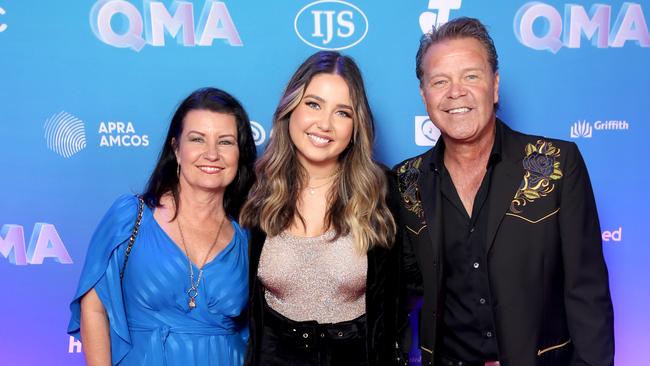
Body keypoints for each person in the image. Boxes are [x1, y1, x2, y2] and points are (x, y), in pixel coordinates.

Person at [394, 17, 614, 366]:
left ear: (494, 86)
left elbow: (587, 293)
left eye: (471, 76)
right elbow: (399, 291)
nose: (456, 92)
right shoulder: (406, 181)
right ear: (424, 95)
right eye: (440, 81)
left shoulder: (555, 164)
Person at [68, 87, 257, 365]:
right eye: (197, 139)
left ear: (239, 153)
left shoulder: (248, 234)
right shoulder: (130, 217)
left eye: (225, 142)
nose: (212, 153)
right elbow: (94, 309)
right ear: (176, 149)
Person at [240, 51, 399, 366]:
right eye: (313, 104)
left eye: (343, 113)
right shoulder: (256, 188)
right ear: (291, 108)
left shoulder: (381, 191)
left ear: (357, 126)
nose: (324, 124)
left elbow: (399, 302)